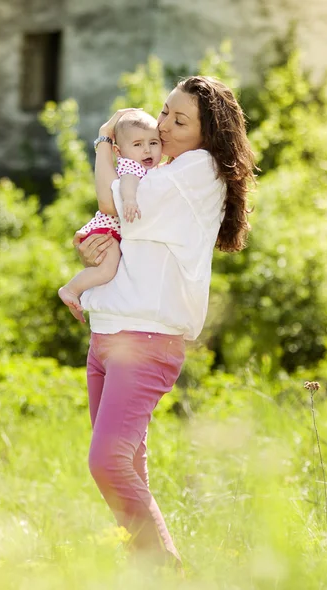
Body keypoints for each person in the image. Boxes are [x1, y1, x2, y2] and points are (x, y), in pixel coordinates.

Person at [76, 76, 256, 567]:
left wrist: (103, 145)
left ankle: (167, 571)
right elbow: (120, 222)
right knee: (127, 467)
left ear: (209, 133)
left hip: (144, 338)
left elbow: (117, 206)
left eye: (180, 120)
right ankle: (151, 571)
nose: (163, 126)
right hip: (110, 331)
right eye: (163, 112)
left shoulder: (199, 168)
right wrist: (102, 245)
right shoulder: (166, 171)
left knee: (108, 462)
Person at [58, 111, 162, 323]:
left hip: (111, 230)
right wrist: (130, 200)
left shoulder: (151, 169)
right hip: (108, 230)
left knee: (108, 270)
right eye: (137, 144)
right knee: (106, 270)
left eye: (153, 142)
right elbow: (127, 182)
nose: (147, 150)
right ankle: (70, 289)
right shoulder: (131, 166)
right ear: (118, 151)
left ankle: (80, 294)